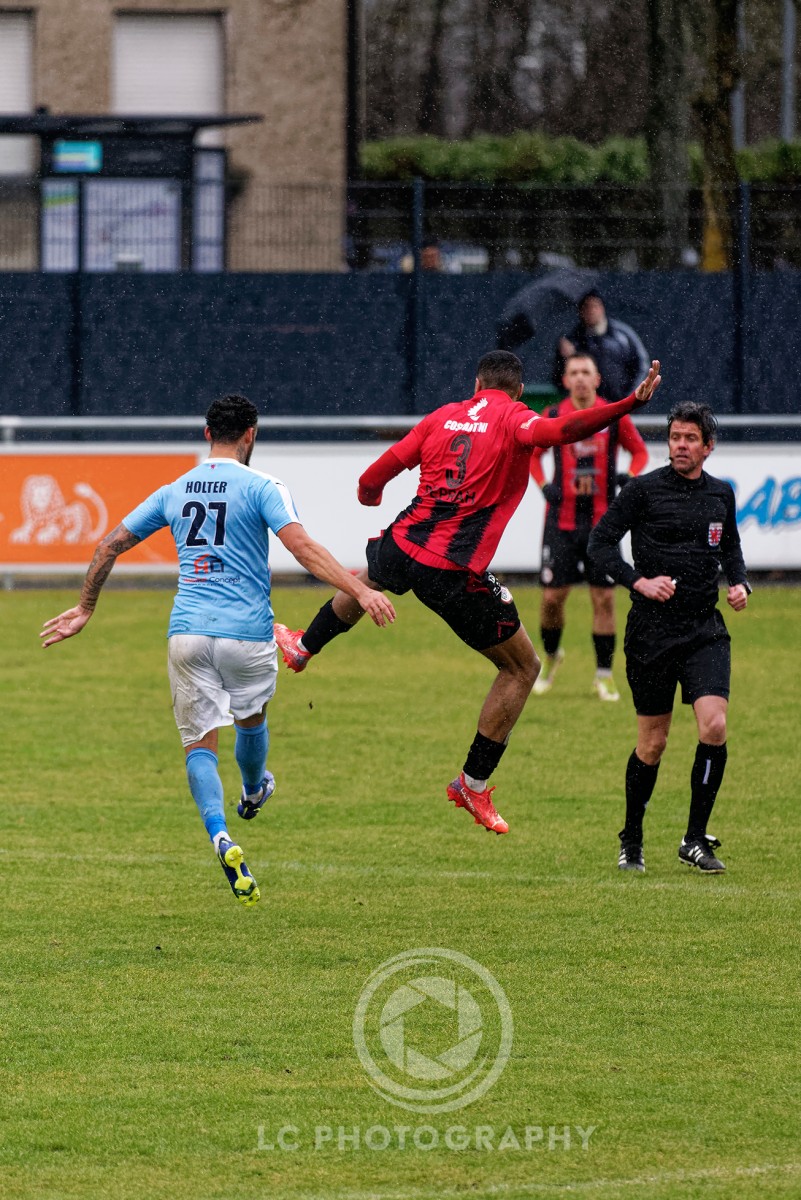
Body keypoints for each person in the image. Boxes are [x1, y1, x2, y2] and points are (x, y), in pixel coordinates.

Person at [274, 351, 662, 837]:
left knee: (370, 577)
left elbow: (370, 481)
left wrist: (371, 498)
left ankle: (303, 645)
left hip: (404, 540)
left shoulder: (441, 417)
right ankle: (472, 784)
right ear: (518, 391)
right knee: (523, 667)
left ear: (476, 382)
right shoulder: (517, 418)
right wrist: (627, 402)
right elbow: (562, 431)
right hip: (453, 568)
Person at [40, 395, 396, 908]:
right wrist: (360, 590)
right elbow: (302, 547)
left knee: (198, 747)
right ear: (250, 434)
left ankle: (220, 836)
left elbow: (108, 546)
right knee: (251, 722)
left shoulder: (175, 489)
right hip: (247, 633)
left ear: (208, 433)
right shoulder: (263, 486)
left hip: (186, 632)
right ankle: (253, 791)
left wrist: (85, 607)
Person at [587, 400, 751, 874]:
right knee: (652, 745)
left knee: (714, 727)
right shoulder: (641, 491)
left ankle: (695, 839)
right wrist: (639, 582)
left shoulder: (721, 494)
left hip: (704, 628)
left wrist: (739, 582)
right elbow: (599, 545)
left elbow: (732, 546)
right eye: (675, 437)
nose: (680, 445)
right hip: (651, 633)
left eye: (690, 438)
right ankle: (631, 838)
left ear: (708, 446)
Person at [530, 352, 649, 701]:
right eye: (574, 372)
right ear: (565, 380)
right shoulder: (552, 415)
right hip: (561, 522)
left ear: (597, 379)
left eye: (586, 372)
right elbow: (532, 456)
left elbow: (640, 454)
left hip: (603, 525)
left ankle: (603, 674)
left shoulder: (613, 417)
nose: (580, 378)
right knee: (552, 599)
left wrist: (632, 477)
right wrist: (543, 486)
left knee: (604, 600)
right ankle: (552, 657)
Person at [553, 290, 650, 403]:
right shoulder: (571, 341)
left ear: (602, 307)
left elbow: (641, 366)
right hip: (586, 409)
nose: (591, 311)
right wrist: (566, 359)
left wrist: (630, 398)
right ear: (580, 311)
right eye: (586, 307)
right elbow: (559, 379)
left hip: (619, 405)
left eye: (595, 306)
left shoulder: (622, 335)